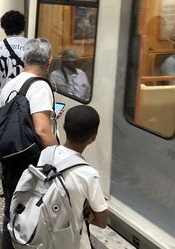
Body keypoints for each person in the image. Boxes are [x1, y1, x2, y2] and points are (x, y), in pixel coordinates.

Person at [0, 38, 58, 249]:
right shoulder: (40, 87)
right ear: (49, 61)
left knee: (11, 211)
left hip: (10, 158)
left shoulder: (10, 84)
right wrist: (59, 156)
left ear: (25, 58)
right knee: (32, 213)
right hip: (31, 163)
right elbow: (42, 130)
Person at [36, 105, 108, 249]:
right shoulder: (89, 174)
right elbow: (102, 221)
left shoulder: (47, 153)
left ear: (63, 127)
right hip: (70, 242)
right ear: (94, 136)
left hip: (43, 233)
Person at [0, 10, 28, 95]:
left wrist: (2, 95)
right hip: (26, 98)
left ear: (4, 27)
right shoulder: (31, 46)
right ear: (22, 27)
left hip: (6, 98)